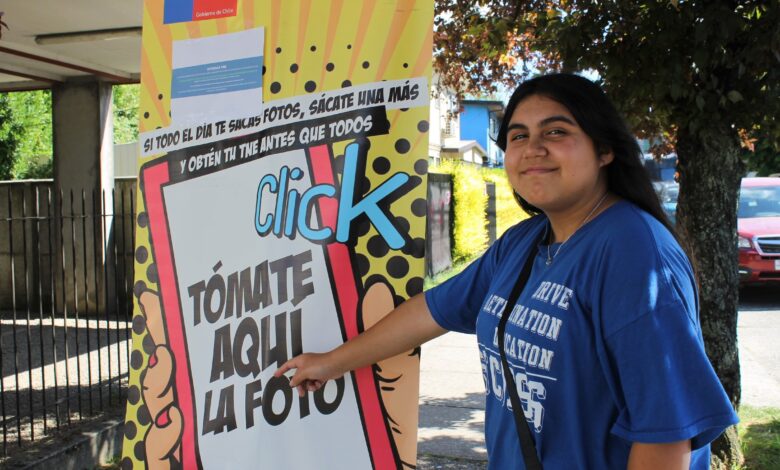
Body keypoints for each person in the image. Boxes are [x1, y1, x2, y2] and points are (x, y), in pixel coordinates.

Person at [275, 73, 738, 469]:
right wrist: (330, 362)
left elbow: (666, 434)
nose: (533, 149)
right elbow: (429, 311)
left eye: (556, 132)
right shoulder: (525, 242)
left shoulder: (632, 252)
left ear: (604, 150)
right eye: (518, 136)